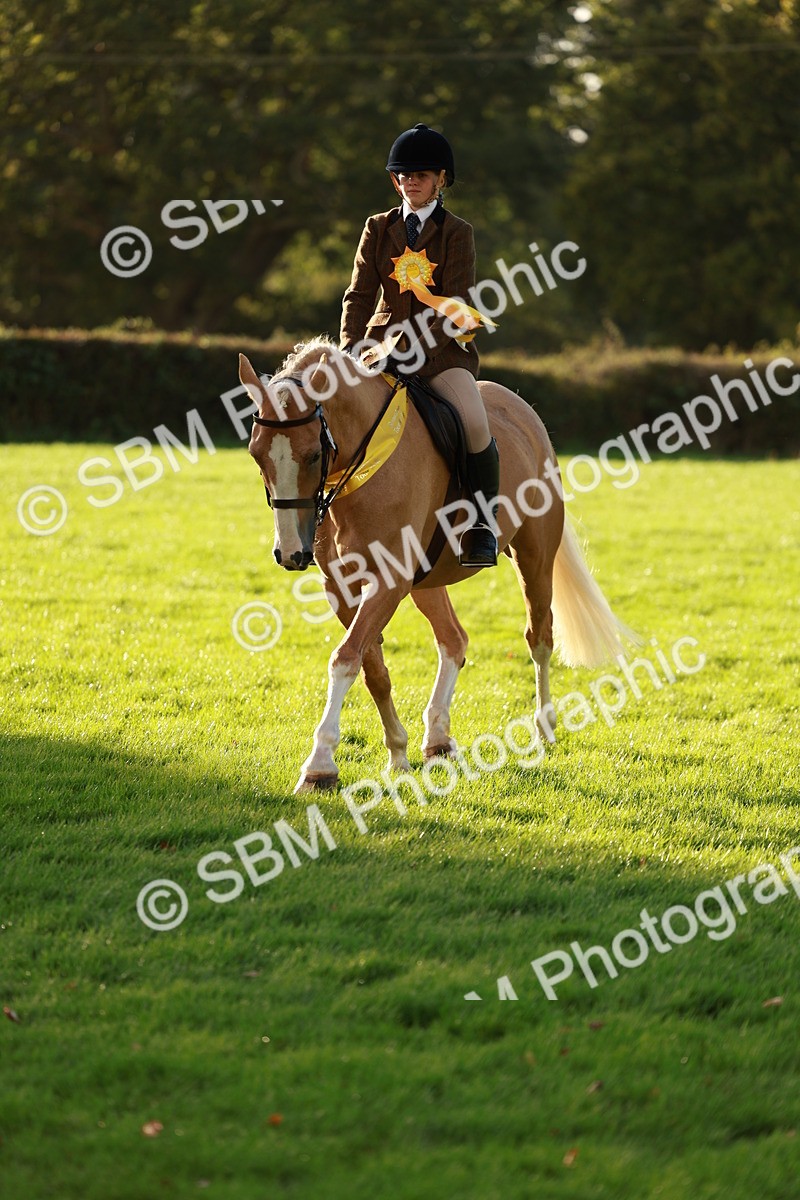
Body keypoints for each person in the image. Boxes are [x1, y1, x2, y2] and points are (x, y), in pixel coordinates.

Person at [339, 122, 499, 568]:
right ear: (396, 181)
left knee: (473, 422)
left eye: (421, 176)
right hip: (378, 347)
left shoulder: (456, 232)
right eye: (405, 177)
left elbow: (457, 304)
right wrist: (352, 347)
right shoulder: (377, 228)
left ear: (440, 180)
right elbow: (358, 295)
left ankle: (482, 525)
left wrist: (415, 353)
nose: (412, 183)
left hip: (442, 354)